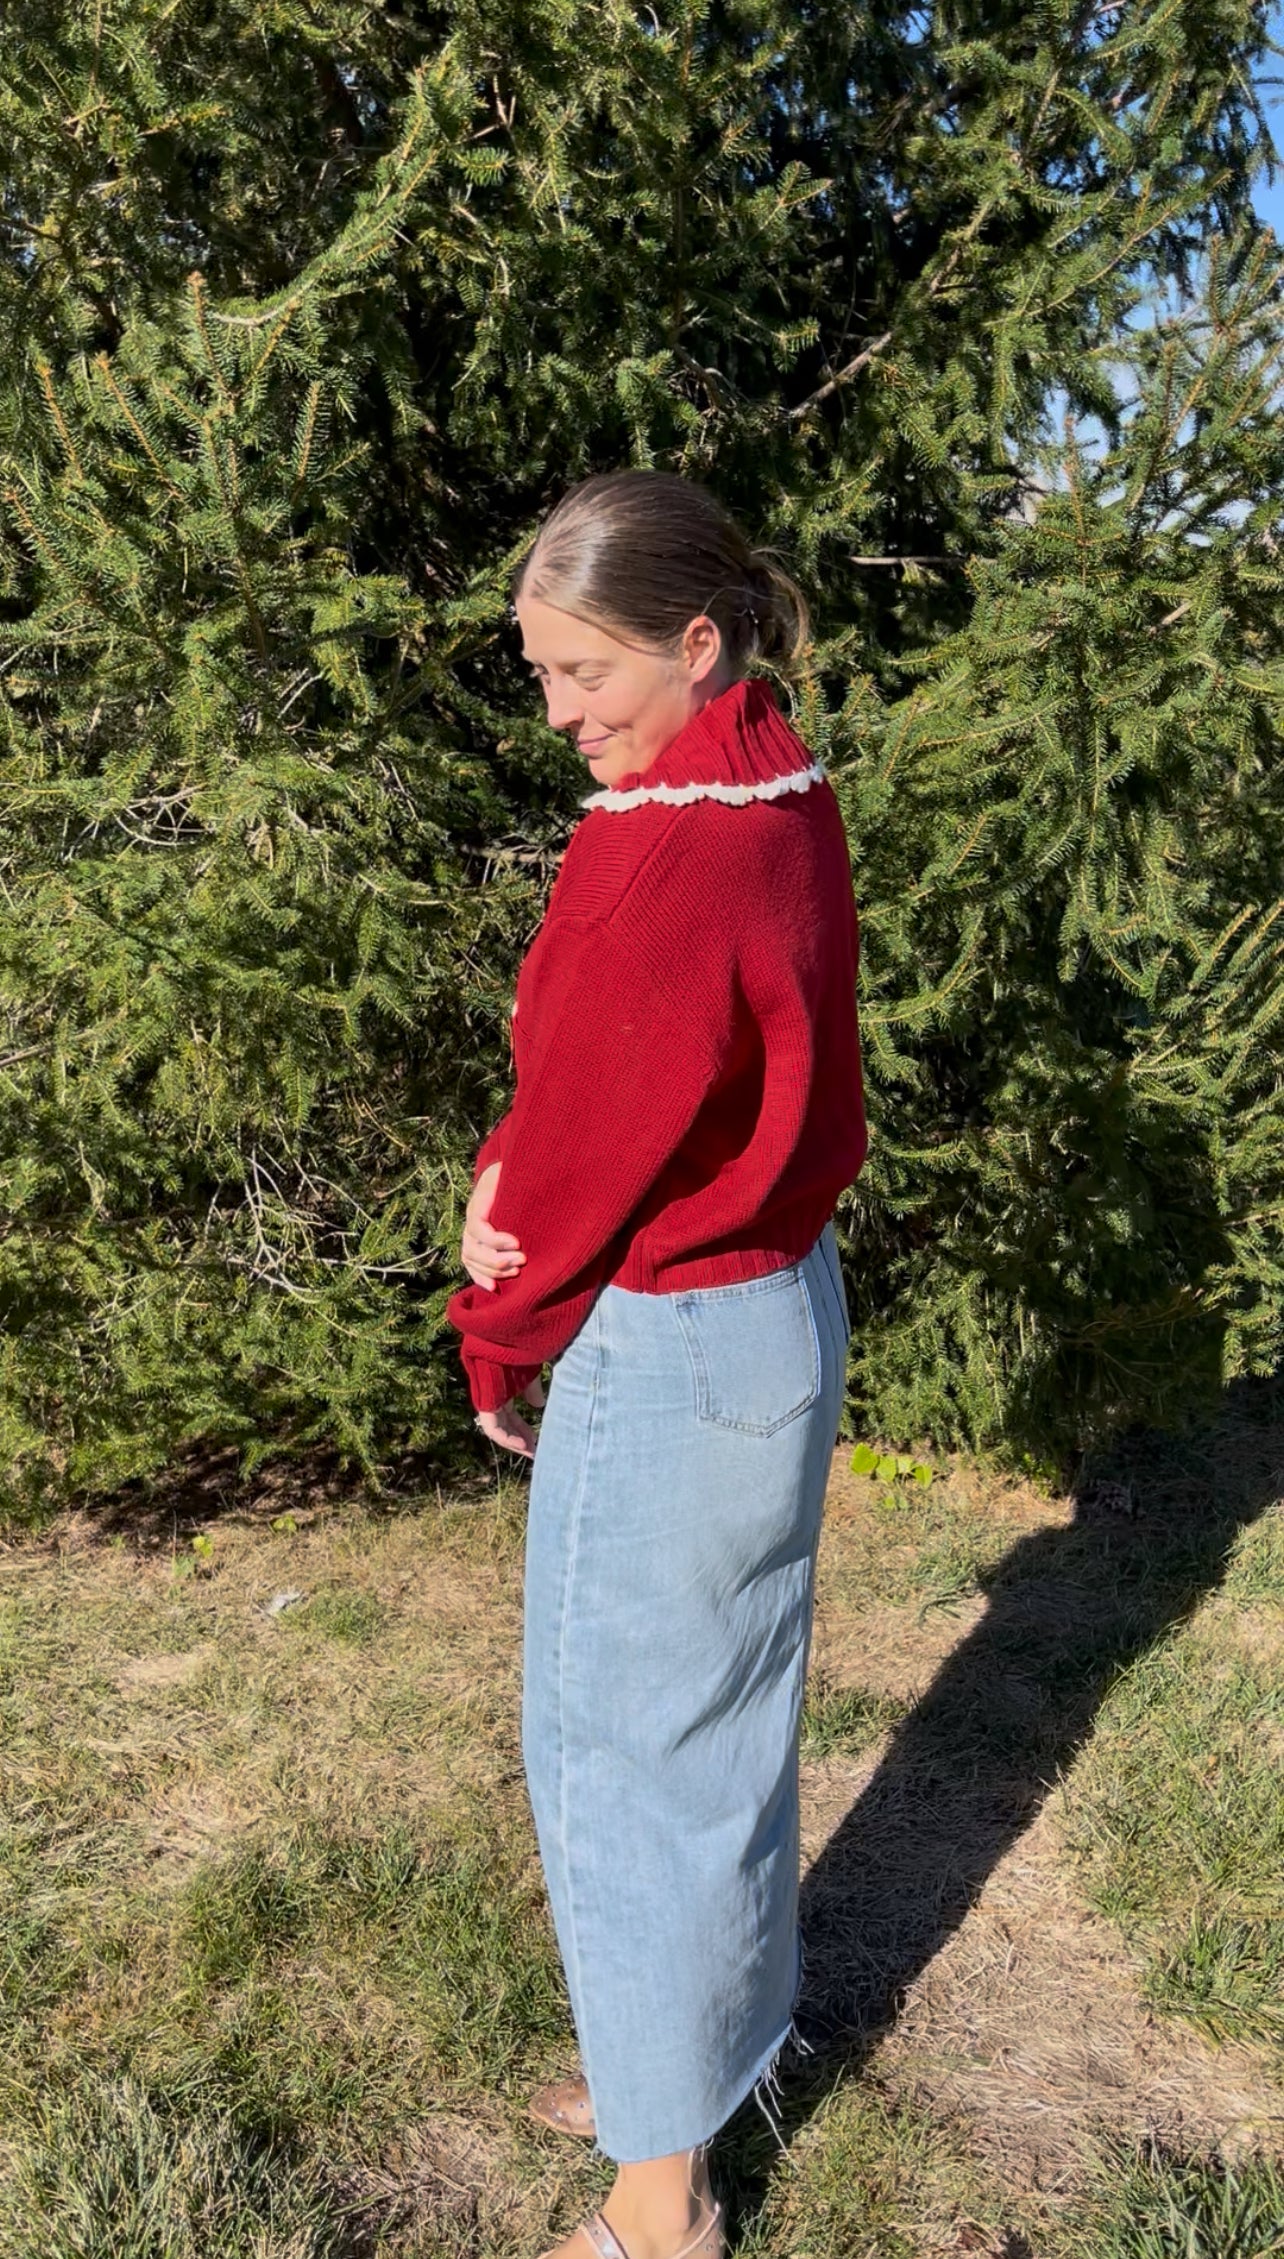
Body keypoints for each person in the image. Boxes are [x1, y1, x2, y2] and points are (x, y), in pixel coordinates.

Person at [445, 468, 868, 2259]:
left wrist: (498, 1329)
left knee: (626, 1751)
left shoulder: (660, 852)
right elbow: (650, 1079)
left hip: (675, 1330)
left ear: (697, 643)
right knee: (722, 1721)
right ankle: (676, 2071)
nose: (560, 714)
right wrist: (523, 1159)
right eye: (543, 673)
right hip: (778, 1307)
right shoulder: (778, 786)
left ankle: (658, 2206)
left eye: (585, 673)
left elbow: (586, 1137)